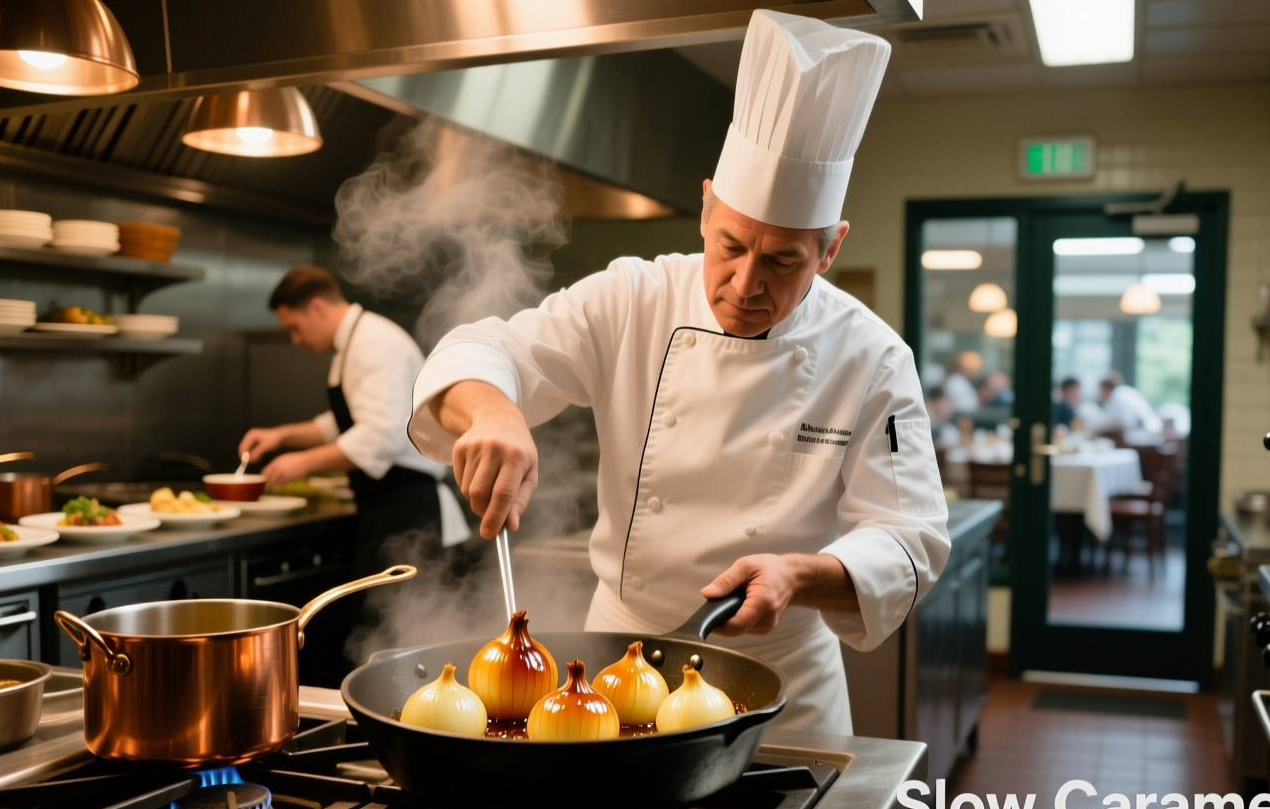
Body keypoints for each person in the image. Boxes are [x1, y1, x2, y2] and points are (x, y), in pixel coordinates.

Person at [407, 11, 949, 735]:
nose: (745, 283)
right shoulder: (632, 296)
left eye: (783, 259)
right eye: (730, 245)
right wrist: (494, 412)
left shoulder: (874, 357)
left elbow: (909, 537)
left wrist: (797, 575)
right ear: (704, 208)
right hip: (616, 670)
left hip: (784, 686)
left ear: (830, 249)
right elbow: (487, 350)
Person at [239, 265, 468, 686]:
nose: (296, 340)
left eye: (294, 328)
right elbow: (345, 422)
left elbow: (378, 437)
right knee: (377, 636)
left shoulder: (374, 344)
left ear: (317, 307)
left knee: (393, 637)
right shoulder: (353, 345)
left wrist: (301, 462)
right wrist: (283, 436)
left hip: (409, 512)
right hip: (386, 509)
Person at [1092, 371, 1163, 437]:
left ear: (1105, 388)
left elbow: (1118, 422)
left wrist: (1095, 430)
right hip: (1147, 432)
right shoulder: (1125, 392)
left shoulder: (1118, 396)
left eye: (1100, 390)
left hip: (1143, 435)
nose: (1098, 394)